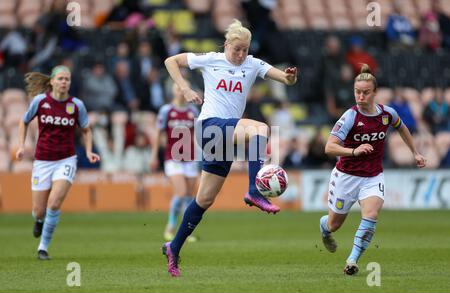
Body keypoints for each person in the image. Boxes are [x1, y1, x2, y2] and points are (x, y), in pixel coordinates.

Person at [161, 19, 298, 276]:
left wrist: (290, 78)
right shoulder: (211, 59)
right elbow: (171, 61)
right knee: (259, 129)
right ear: (226, 45)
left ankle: (173, 247)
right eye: (237, 49)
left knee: (204, 199)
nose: (241, 54)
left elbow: (284, 80)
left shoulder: (253, 64)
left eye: (245, 49)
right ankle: (254, 192)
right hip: (209, 126)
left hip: (225, 136)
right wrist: (185, 87)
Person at [320, 64, 426, 275]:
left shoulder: (387, 114)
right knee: (334, 225)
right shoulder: (350, 117)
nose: (360, 97)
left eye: (366, 93)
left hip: (373, 176)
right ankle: (324, 228)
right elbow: (329, 147)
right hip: (346, 176)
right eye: (357, 92)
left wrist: (415, 152)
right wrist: (354, 151)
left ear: (375, 93)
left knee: (371, 213)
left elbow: (402, 127)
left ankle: (352, 260)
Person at [16, 65, 100, 260]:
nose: (64, 82)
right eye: (60, 78)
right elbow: (24, 121)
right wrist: (21, 145)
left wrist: (88, 151)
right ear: (52, 81)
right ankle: (38, 219)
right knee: (39, 209)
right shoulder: (40, 101)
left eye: (67, 79)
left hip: (66, 160)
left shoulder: (76, 105)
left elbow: (86, 129)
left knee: (54, 204)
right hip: (42, 161)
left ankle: (43, 247)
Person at [150, 83, 200, 243]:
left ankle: (186, 232)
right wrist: (153, 155)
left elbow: (197, 134)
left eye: (183, 88)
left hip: (190, 157)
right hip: (172, 157)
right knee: (181, 192)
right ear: (173, 90)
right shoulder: (166, 111)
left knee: (189, 197)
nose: (180, 91)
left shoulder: (193, 111)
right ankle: (170, 227)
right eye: (178, 88)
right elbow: (158, 132)